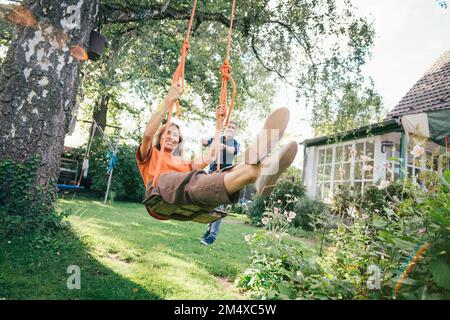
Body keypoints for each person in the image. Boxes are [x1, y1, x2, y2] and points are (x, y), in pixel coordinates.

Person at [136, 82, 298, 224]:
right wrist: (167, 101)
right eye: (168, 133)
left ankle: (261, 169)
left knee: (222, 173)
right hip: (160, 193)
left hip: (190, 198)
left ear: (179, 140)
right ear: (161, 135)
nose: (172, 137)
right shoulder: (150, 154)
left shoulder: (183, 162)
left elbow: (212, 155)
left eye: (175, 135)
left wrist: (219, 124)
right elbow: (148, 135)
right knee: (193, 180)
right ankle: (261, 164)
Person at [200, 121, 240, 245]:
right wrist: (204, 141)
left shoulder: (235, 143)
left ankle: (212, 236)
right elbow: (206, 142)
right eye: (229, 127)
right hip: (212, 173)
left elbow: (233, 150)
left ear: (236, 131)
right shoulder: (218, 139)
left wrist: (225, 147)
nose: (231, 129)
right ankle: (209, 229)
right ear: (226, 128)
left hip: (224, 175)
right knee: (208, 204)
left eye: (233, 128)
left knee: (218, 206)